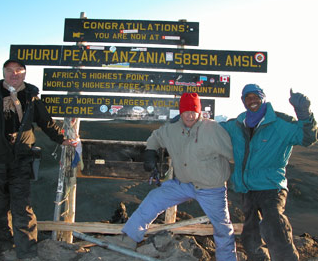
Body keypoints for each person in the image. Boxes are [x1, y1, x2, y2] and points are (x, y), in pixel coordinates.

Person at [0, 59, 76, 261]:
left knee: (22, 206)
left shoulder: (30, 97)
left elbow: (45, 121)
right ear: (3, 73)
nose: (14, 74)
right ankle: (5, 246)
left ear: (24, 74)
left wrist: (62, 139)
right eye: (9, 71)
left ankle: (27, 252)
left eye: (18, 71)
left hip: (21, 159)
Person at [118, 92, 237, 261]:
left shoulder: (213, 129)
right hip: (183, 184)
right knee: (154, 198)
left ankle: (227, 259)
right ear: (180, 112)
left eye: (193, 111)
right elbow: (155, 137)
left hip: (211, 188)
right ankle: (128, 238)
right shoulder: (171, 129)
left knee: (222, 228)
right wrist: (150, 152)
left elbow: (233, 154)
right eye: (186, 111)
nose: (189, 115)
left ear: (199, 112)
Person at [220, 84, 317, 261]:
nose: (252, 100)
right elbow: (211, 129)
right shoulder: (236, 124)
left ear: (263, 98)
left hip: (271, 187)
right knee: (250, 237)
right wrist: (183, 117)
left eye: (256, 96)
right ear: (243, 102)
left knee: (275, 229)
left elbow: (307, 138)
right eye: (247, 97)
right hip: (247, 190)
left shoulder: (280, 122)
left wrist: (304, 113)